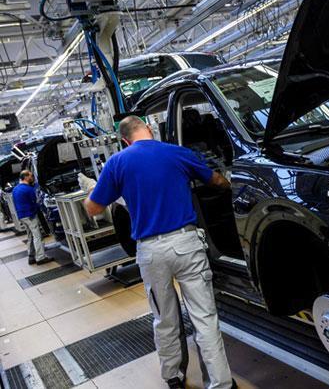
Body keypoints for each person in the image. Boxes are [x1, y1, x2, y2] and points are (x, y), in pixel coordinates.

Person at [84, 116, 235, 389]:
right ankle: (221, 384)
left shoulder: (117, 163)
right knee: (204, 317)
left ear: (125, 140)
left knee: (164, 318)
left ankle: (174, 378)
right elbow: (215, 180)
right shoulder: (176, 152)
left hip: (150, 251)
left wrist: (94, 189)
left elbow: (93, 208)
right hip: (186, 243)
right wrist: (230, 183)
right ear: (149, 129)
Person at [12, 170, 51, 265]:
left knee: (30, 236)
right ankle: (40, 257)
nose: (32, 177)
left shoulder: (15, 189)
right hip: (30, 215)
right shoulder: (28, 189)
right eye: (31, 176)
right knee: (37, 236)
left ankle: (31, 256)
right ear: (26, 177)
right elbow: (35, 203)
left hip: (21, 216)